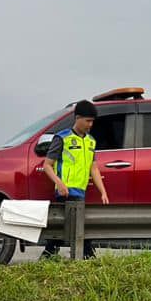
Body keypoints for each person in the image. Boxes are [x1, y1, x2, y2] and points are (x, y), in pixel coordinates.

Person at [39, 99, 109, 260]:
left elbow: (94, 168)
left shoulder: (91, 141)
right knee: (76, 227)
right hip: (65, 191)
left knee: (68, 228)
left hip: (80, 192)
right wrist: (59, 183)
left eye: (92, 121)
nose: (90, 124)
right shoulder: (62, 138)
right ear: (77, 118)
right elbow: (47, 165)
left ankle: (48, 257)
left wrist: (103, 191)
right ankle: (89, 257)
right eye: (88, 121)